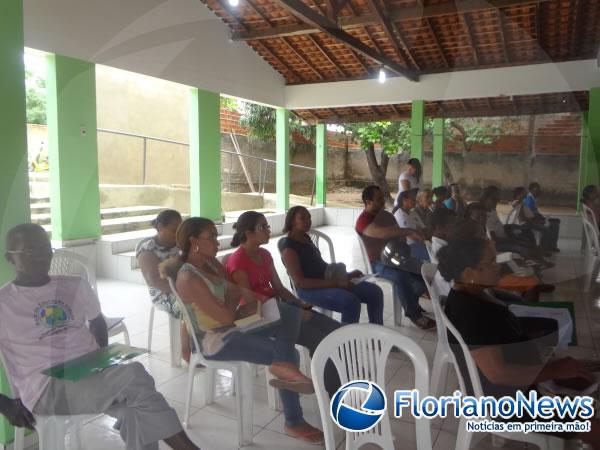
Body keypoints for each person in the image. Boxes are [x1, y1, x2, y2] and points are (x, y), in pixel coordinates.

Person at [0, 223, 200, 450]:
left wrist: (100, 357)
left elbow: (97, 322)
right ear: (10, 257)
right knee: (134, 376)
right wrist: (4, 404)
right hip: (48, 386)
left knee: (137, 409)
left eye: (45, 248)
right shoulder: (4, 303)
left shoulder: (73, 284)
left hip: (92, 372)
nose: (40, 255)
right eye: (29, 250)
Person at [437, 235, 600, 447]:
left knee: (584, 376)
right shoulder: (472, 312)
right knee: (588, 421)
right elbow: (499, 374)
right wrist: (555, 370)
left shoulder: (473, 295)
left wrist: (549, 362)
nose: (499, 267)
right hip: (507, 402)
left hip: (520, 383)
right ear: (470, 273)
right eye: (491, 262)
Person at [161, 217, 316, 397]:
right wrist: (230, 300)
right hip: (215, 341)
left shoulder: (210, 263)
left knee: (289, 312)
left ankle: (282, 367)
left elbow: (235, 292)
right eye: (211, 237)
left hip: (231, 327)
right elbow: (229, 307)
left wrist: (234, 301)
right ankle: (293, 419)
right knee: (290, 355)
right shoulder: (188, 277)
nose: (217, 242)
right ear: (194, 241)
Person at [226, 211, 342, 443]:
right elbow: (251, 303)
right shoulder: (238, 261)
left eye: (267, 226)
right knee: (305, 344)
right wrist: (293, 312)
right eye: (263, 227)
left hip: (279, 311)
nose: (269, 230)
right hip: (254, 318)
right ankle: (295, 419)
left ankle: (335, 391)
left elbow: (278, 287)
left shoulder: (265, 255)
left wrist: (299, 304)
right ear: (248, 233)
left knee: (331, 329)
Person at [279, 206, 384, 324]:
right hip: (308, 289)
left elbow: (320, 267)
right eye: (303, 218)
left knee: (375, 292)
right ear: (292, 221)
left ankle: (377, 331)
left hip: (326, 280)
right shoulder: (288, 248)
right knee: (350, 302)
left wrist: (347, 275)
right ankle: (346, 341)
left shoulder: (305, 237)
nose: (308, 221)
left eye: (309, 217)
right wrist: (338, 284)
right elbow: (301, 282)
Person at [355, 185, 435, 329]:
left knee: (424, 274)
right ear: (368, 202)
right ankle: (414, 315)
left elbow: (399, 235)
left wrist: (409, 239)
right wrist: (408, 231)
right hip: (377, 262)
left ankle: (412, 302)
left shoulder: (386, 215)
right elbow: (382, 233)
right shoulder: (363, 220)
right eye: (379, 199)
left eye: (382, 198)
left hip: (396, 258)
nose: (383, 201)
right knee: (401, 277)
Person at [136, 210, 191, 362]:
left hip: (183, 286)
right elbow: (154, 281)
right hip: (163, 293)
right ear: (160, 227)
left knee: (209, 298)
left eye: (180, 230)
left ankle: (205, 344)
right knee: (192, 306)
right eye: (174, 230)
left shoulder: (180, 244)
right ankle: (185, 350)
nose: (178, 234)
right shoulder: (147, 248)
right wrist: (185, 290)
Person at [523, 182, 561, 252]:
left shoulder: (533, 199)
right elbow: (530, 215)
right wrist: (542, 220)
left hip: (536, 218)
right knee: (553, 225)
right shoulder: (529, 200)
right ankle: (547, 247)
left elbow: (535, 212)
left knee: (556, 221)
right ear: (531, 190)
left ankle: (551, 245)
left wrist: (542, 218)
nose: (538, 192)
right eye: (536, 190)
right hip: (532, 221)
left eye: (539, 190)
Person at [393, 190, 429, 261]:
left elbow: (423, 228)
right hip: (409, 246)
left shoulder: (413, 213)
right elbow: (410, 235)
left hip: (419, 243)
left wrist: (425, 238)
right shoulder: (399, 214)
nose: (415, 201)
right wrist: (424, 240)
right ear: (404, 200)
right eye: (412, 199)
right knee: (430, 256)